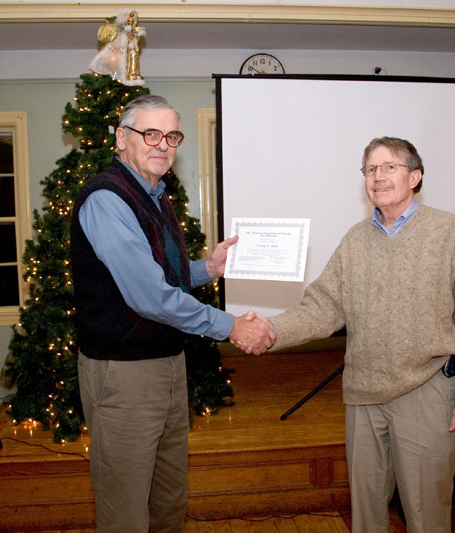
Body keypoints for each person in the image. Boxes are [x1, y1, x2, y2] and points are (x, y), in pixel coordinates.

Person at [246, 137, 455, 532]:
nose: (378, 177)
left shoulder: (448, 232)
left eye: (389, 167)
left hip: (427, 389)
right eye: (370, 169)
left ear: (415, 177)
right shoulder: (354, 240)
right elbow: (323, 307)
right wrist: (269, 330)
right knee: (366, 517)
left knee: (426, 515)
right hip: (363, 395)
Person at [70, 94, 274, 532]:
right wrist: (231, 326)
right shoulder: (108, 199)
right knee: (125, 506)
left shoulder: (154, 194)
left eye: (172, 135)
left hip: (165, 363)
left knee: (168, 496)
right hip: (123, 375)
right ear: (122, 139)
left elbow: (158, 274)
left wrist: (207, 269)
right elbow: (150, 297)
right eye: (150, 133)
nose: (163, 144)